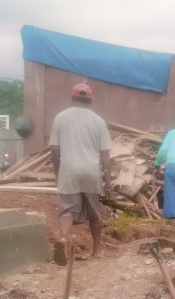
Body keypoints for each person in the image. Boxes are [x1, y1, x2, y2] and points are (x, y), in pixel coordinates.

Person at [49, 82, 112, 265]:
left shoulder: (60, 118)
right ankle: (97, 251)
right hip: (91, 172)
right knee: (94, 213)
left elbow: (54, 148)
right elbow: (105, 154)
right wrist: (107, 180)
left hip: (68, 170)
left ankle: (63, 240)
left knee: (67, 211)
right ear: (90, 100)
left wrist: (57, 171)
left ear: (72, 98)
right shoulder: (98, 121)